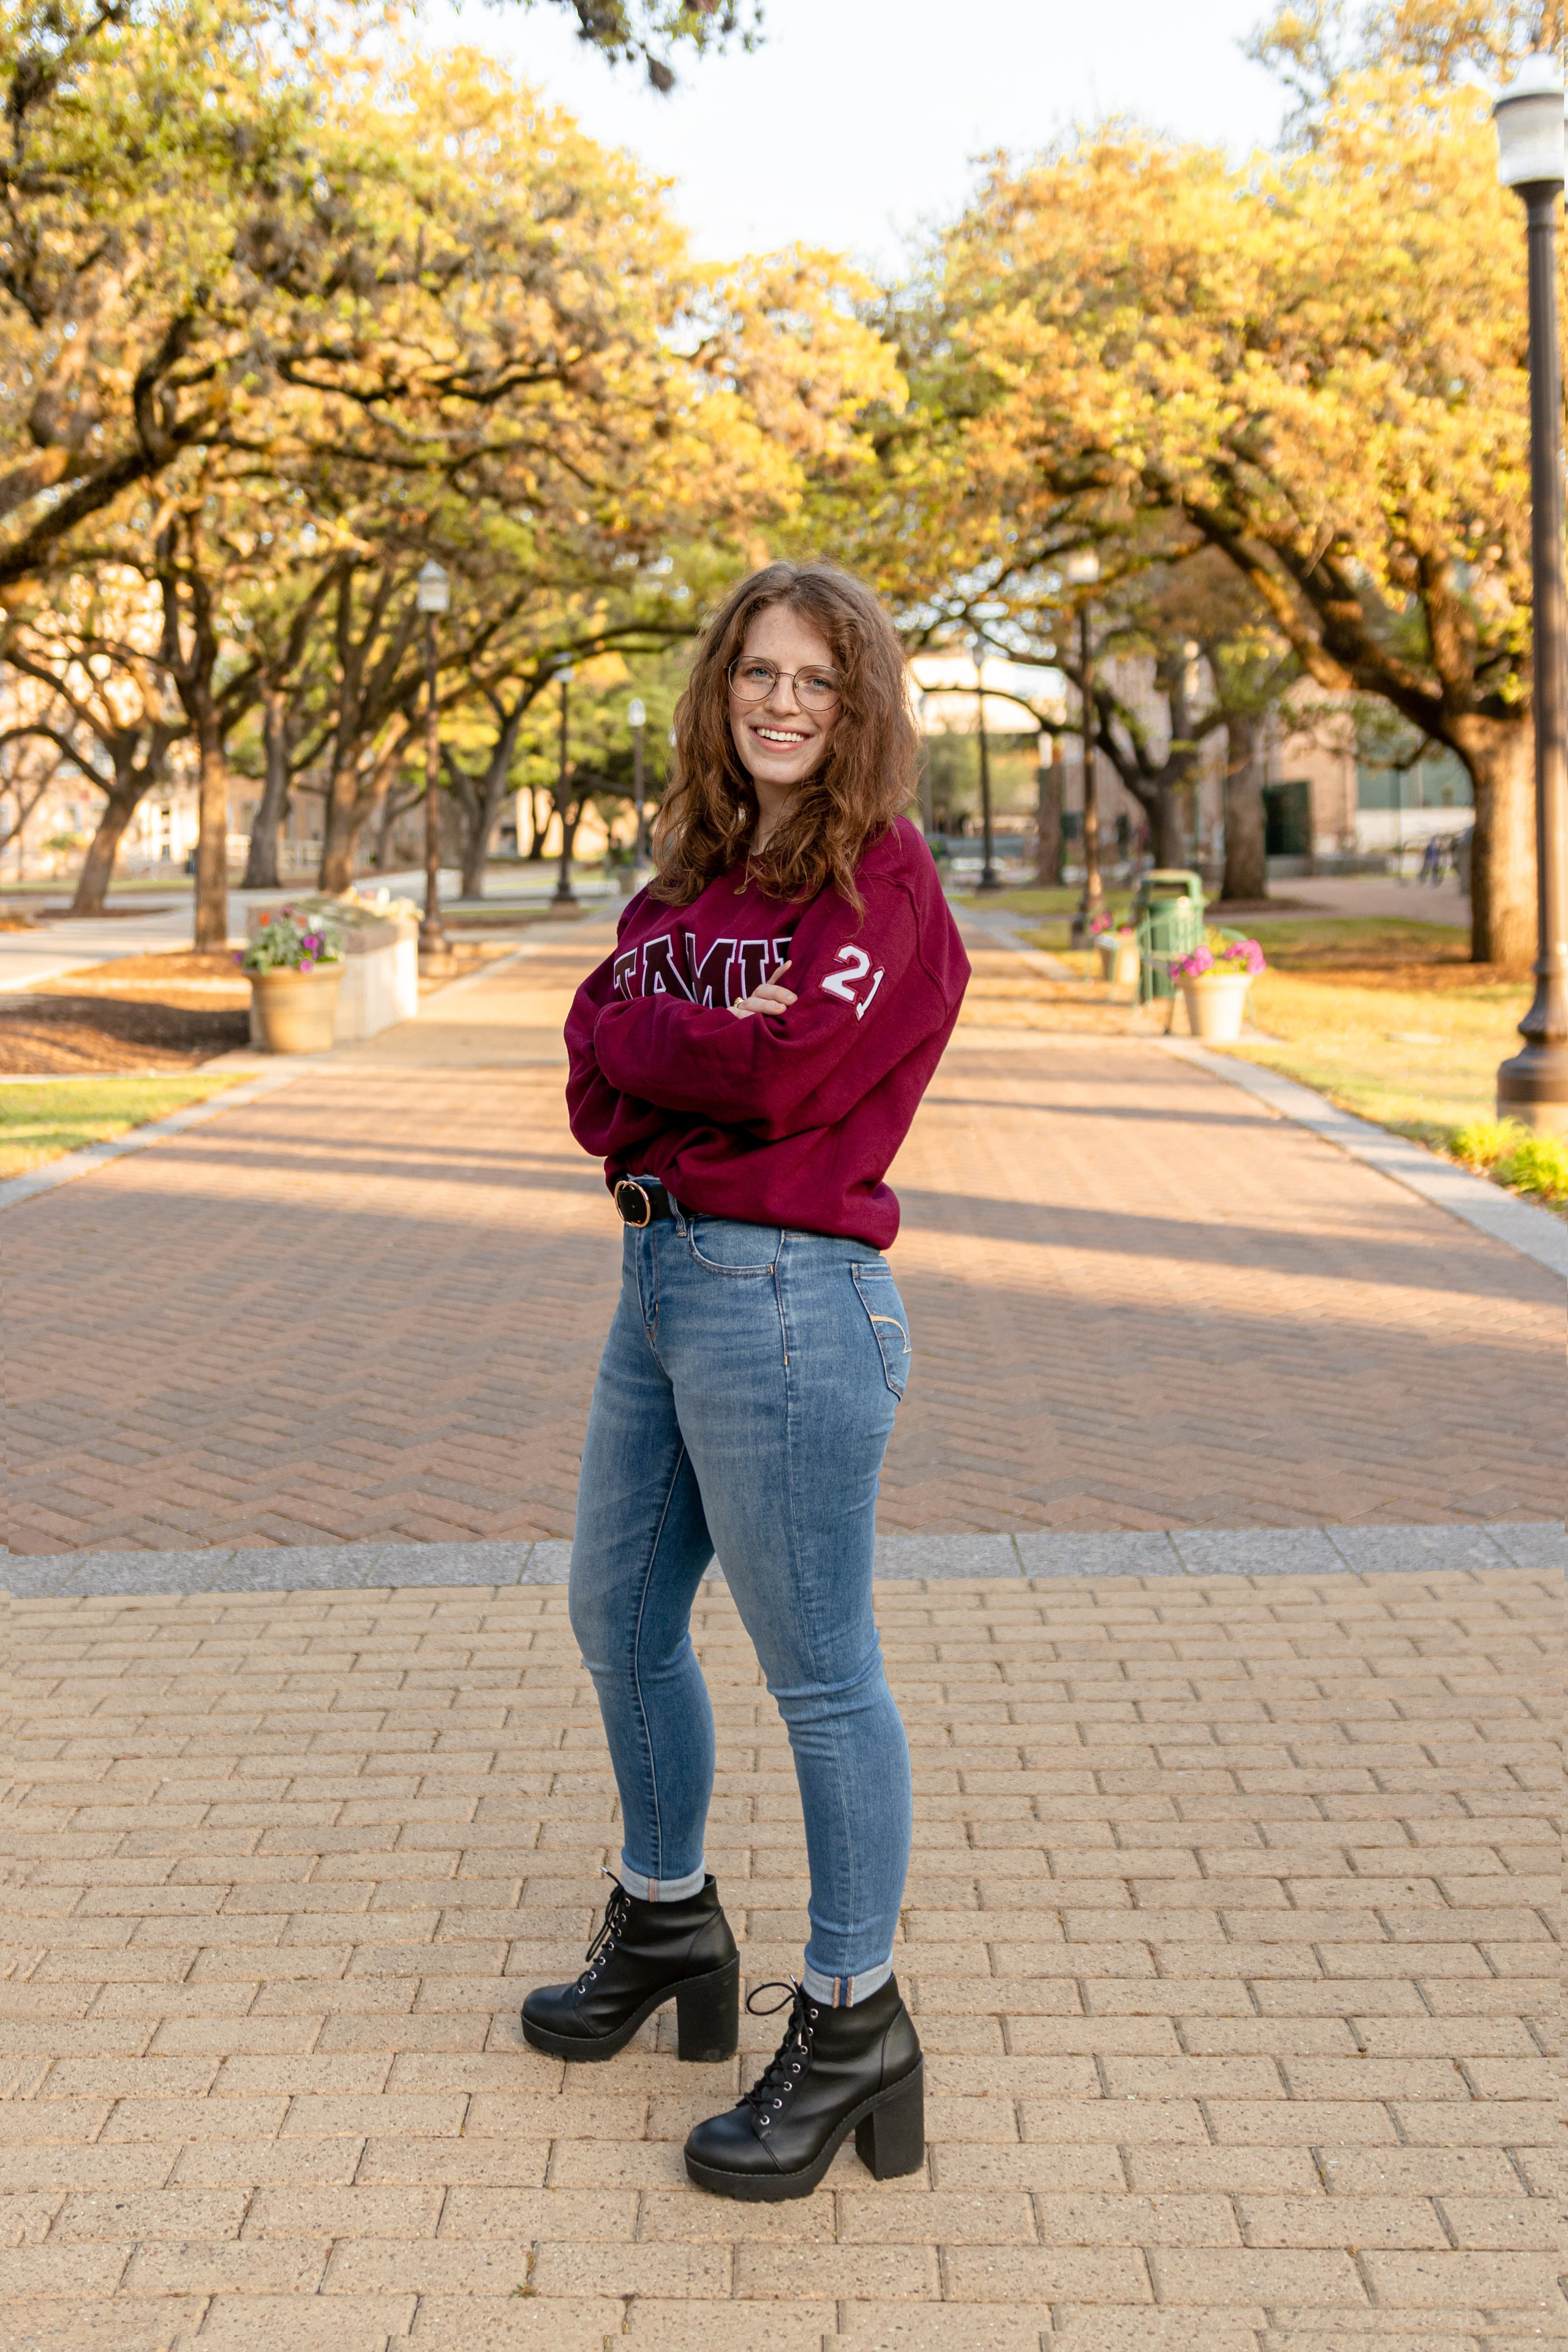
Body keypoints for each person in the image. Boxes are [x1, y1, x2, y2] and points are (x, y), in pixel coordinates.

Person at [523, 560, 970, 2203]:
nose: (782, 702)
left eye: (819, 681)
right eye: (758, 674)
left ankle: (854, 2021)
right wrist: (665, 1032)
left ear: (861, 712)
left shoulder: (888, 887)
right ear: (722, 693)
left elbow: (787, 1075)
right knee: (617, 1617)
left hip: (791, 1307)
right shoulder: (695, 884)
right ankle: (669, 1918)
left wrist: (659, 1033)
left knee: (823, 1675)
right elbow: (588, 1060)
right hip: (661, 1282)